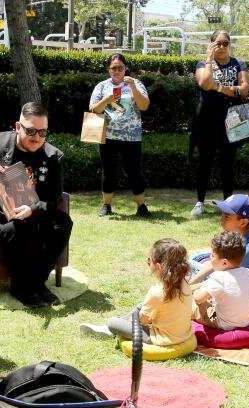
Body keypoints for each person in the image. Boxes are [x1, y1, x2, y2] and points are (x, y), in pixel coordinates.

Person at [0, 102, 73, 307]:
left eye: (43, 132)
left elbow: (55, 198)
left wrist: (33, 210)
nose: (37, 137)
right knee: (18, 229)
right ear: (18, 126)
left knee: (63, 223)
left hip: (35, 212)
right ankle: (20, 287)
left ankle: (38, 281)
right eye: (31, 131)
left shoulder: (53, 156)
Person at [82, 238, 193, 349]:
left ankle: (109, 328)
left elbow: (143, 321)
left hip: (161, 339)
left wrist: (131, 320)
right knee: (142, 305)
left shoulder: (157, 292)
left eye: (149, 260)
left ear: (159, 267)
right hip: (182, 334)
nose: (147, 262)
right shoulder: (184, 283)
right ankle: (109, 328)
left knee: (112, 322)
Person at [190, 30, 249, 217]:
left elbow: (244, 90)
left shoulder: (238, 64)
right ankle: (200, 202)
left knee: (228, 163)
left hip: (232, 119)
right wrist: (209, 59)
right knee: (205, 162)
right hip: (207, 119)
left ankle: (229, 204)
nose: (222, 47)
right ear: (211, 44)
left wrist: (219, 87)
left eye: (225, 43)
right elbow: (204, 83)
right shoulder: (203, 63)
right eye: (218, 43)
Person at [89, 53, 151, 218]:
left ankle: (142, 206)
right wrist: (106, 99)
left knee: (134, 172)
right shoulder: (102, 86)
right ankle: (106, 206)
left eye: (120, 68)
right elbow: (93, 109)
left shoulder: (135, 83)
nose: (117, 71)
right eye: (113, 68)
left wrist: (133, 88)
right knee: (108, 171)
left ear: (126, 68)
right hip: (108, 136)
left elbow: (144, 106)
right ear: (108, 70)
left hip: (132, 137)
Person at [190, 194, 249, 314]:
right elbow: (217, 262)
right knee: (189, 262)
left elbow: (224, 276)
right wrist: (192, 282)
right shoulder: (234, 235)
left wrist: (191, 288)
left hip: (241, 286)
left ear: (243, 222)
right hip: (224, 276)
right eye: (222, 215)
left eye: (227, 217)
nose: (221, 220)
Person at [192, 231, 249, 335]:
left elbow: (198, 299)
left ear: (224, 262)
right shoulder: (246, 272)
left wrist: (193, 292)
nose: (209, 259)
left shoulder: (219, 277)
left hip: (223, 324)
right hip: (246, 322)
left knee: (190, 302)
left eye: (212, 256)